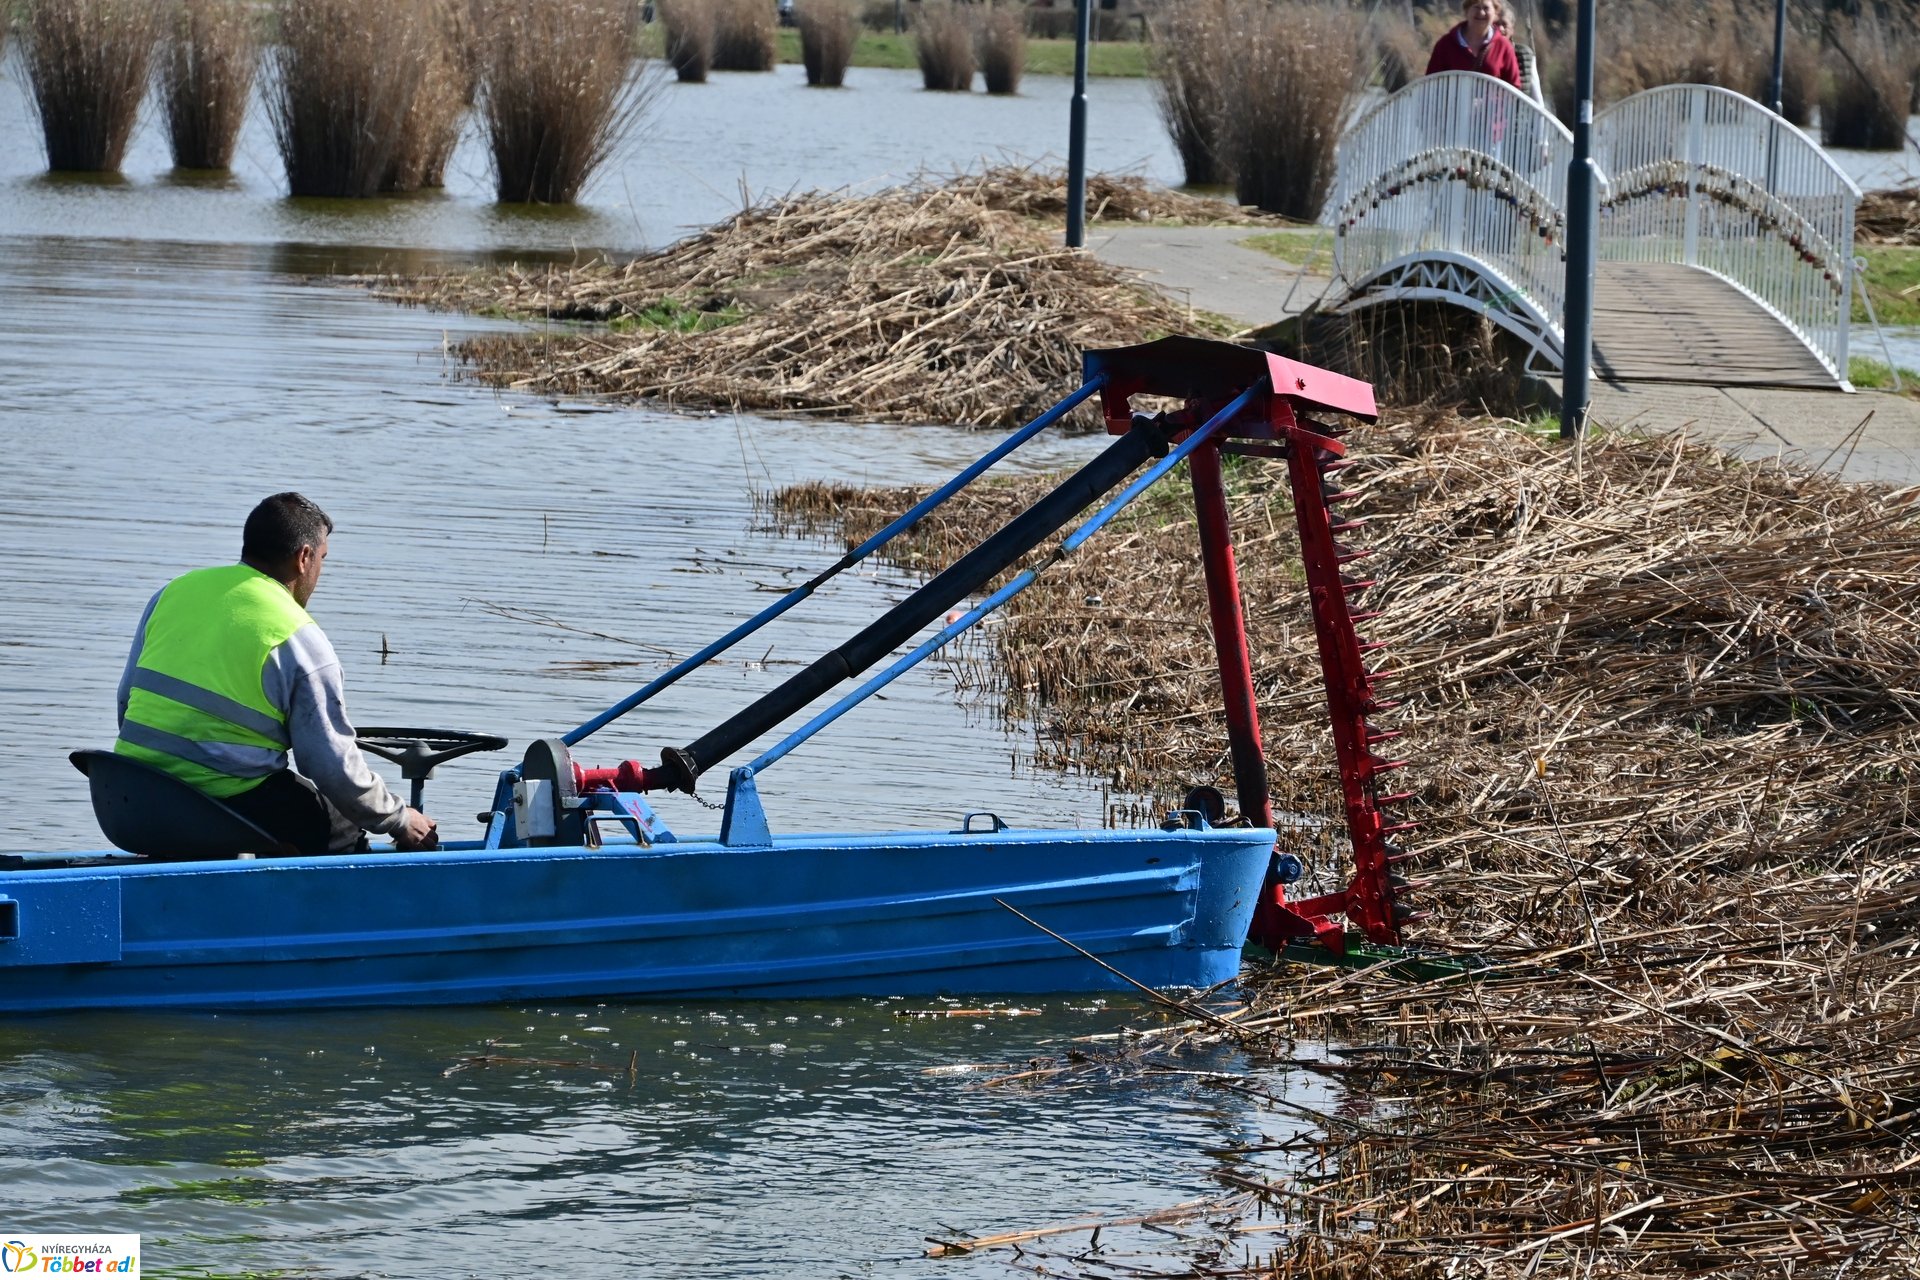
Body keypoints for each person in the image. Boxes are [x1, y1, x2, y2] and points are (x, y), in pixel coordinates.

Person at [115, 492, 438, 856]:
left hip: (132, 793)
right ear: (304, 558)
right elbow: (329, 764)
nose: (319, 572)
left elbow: (126, 703)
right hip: (214, 804)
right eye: (322, 559)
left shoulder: (172, 593)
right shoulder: (297, 637)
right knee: (342, 829)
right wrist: (398, 819)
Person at [1425, 0, 1523, 91]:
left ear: (1495, 13)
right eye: (1476, 7)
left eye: (1486, 8)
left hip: (1492, 109)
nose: (1481, 13)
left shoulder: (1503, 46)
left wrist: (1491, 102)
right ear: (1467, 11)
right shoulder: (1445, 44)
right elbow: (1432, 84)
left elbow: (1514, 87)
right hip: (1453, 109)